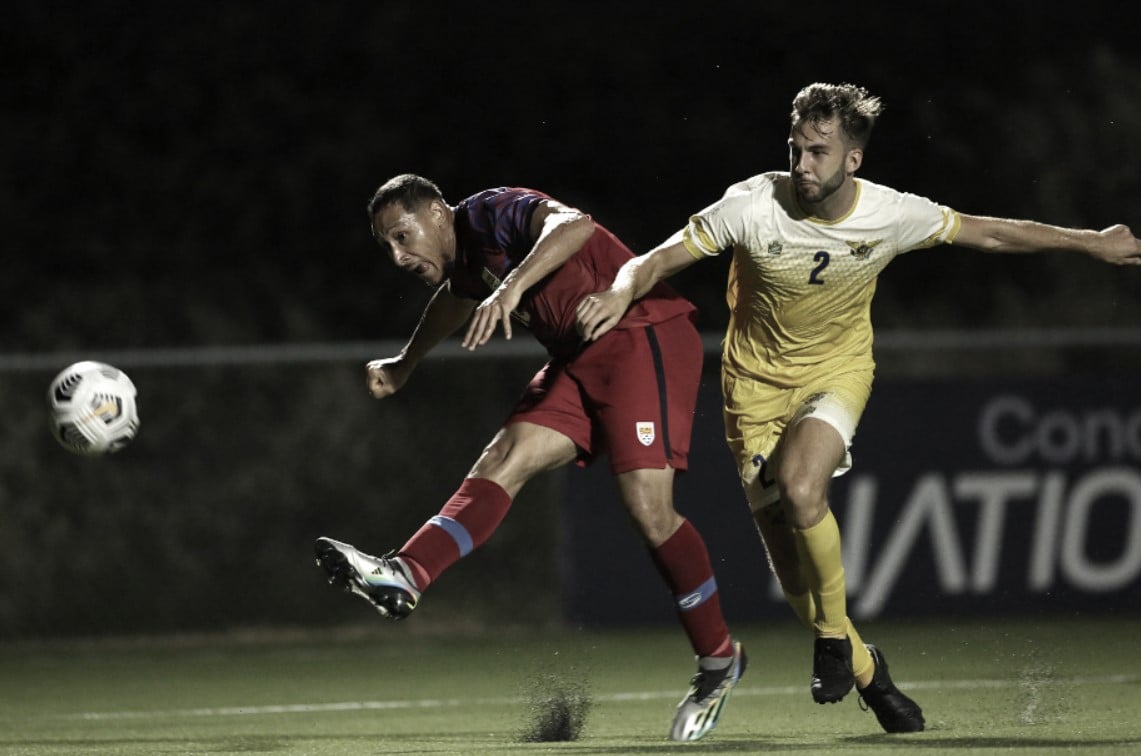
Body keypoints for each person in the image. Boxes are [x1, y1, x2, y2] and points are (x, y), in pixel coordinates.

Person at [574, 81, 1141, 735]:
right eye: (794, 149)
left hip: (835, 375)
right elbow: (656, 259)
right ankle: (868, 672)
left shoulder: (890, 213)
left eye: (817, 152)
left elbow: (988, 234)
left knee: (799, 485)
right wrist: (620, 290)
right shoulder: (752, 204)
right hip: (752, 391)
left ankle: (830, 644)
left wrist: (1090, 242)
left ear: (852, 160)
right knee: (790, 573)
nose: (802, 165)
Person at [315, 174, 746, 742]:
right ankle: (407, 573)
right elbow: (454, 301)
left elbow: (574, 225)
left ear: (439, 215)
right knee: (504, 457)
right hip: (579, 355)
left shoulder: (492, 211)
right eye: (387, 246)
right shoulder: (463, 266)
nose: (398, 256)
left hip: (642, 333)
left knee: (648, 509)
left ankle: (719, 661)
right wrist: (404, 363)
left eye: (402, 235)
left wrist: (510, 289)